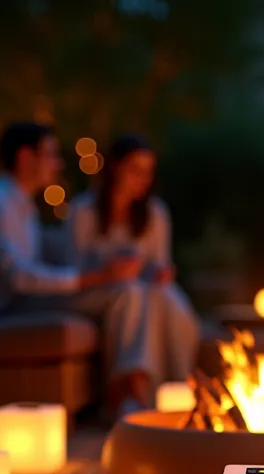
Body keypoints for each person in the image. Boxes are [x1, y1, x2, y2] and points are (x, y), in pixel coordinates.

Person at [0, 122, 154, 413]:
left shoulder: (23, 206)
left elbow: (38, 260)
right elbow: (20, 277)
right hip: (9, 307)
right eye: (51, 154)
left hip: (27, 299)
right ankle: (126, 392)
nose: (58, 163)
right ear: (26, 158)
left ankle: (128, 388)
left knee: (129, 288)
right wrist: (97, 277)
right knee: (124, 291)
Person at [65, 134, 200, 386]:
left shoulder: (155, 213)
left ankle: (178, 384)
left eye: (148, 172)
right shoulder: (84, 210)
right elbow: (72, 269)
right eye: (135, 170)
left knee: (168, 298)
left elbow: (161, 262)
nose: (143, 180)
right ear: (116, 168)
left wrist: (160, 272)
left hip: (144, 288)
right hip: (96, 289)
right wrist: (110, 271)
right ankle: (131, 386)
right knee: (132, 293)